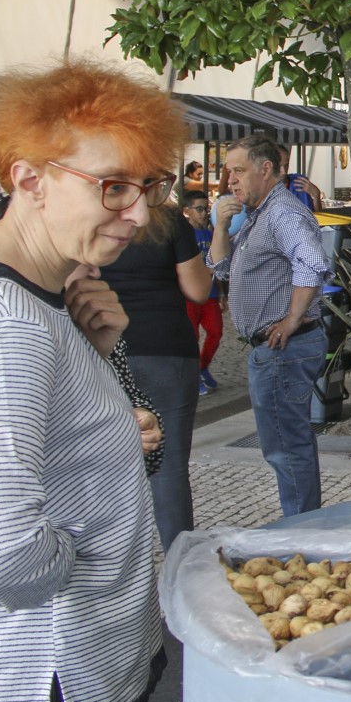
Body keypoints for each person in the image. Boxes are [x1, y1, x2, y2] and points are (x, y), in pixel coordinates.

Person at [0, 59, 172, 702]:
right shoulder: (9, 328)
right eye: (113, 186)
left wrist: (99, 372)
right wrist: (85, 559)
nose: (139, 211)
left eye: (149, 184)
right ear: (29, 180)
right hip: (34, 682)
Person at [209, 135, 331, 517]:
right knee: (284, 444)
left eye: (239, 170)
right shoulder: (259, 213)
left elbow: (313, 261)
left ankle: (300, 528)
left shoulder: (282, 212)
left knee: (286, 446)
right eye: (229, 171)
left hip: (283, 348)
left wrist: (292, 318)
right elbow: (221, 268)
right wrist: (220, 227)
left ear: (265, 169)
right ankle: (302, 522)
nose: (231, 179)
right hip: (274, 350)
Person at [104, 197, 214, 552]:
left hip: (104, 347)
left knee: (107, 465)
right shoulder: (167, 219)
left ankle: (116, 562)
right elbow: (198, 290)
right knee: (168, 469)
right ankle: (179, 563)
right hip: (166, 348)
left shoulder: (95, 213)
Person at [181, 190, 223, 394]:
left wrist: (222, 293)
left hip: (211, 293)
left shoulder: (210, 235)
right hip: (189, 295)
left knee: (216, 331)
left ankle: (202, 367)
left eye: (206, 209)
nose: (204, 213)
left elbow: (218, 263)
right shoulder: (182, 235)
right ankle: (192, 376)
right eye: (199, 209)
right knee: (192, 337)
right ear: (186, 211)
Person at [277, 144, 322, 213]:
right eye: (279, 166)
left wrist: (316, 196)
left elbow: (316, 217)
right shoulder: (263, 191)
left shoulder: (300, 183)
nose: (284, 171)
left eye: (286, 165)